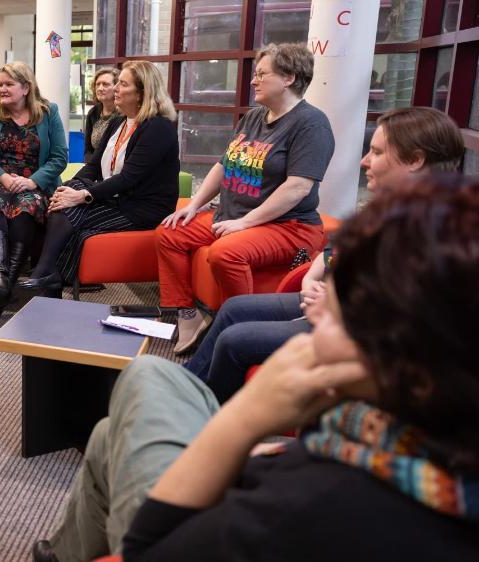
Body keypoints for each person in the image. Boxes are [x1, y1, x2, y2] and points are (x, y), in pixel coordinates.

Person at [34, 176, 479, 562]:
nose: (315, 323)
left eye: (335, 317)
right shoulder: (420, 449)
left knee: (150, 378)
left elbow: (146, 552)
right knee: (112, 433)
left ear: (403, 363)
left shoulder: (322, 506)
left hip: (170, 535)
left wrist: (247, 419)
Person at [187, 107, 465, 403]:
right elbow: (336, 252)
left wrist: (339, 307)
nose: (364, 161)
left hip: (362, 332)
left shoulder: (439, 227)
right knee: (235, 309)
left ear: (415, 160)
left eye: (377, 152)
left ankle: (204, 419)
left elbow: (417, 318)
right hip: (337, 306)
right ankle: (183, 389)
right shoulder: (390, 208)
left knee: (235, 341)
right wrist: (311, 280)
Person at [156, 43, 335, 354]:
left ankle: (236, 326)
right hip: (232, 215)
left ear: (289, 77)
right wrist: (194, 206)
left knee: (226, 253)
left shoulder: (311, 123)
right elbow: (223, 165)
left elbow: (298, 187)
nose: (254, 81)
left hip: (288, 227)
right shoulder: (253, 117)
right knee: (169, 232)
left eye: (261, 74)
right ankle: (187, 314)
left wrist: (245, 223)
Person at [17, 61, 179, 294]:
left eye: (122, 84)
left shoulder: (158, 128)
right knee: (59, 202)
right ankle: (48, 276)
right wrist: (68, 189)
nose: (115, 90)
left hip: (141, 208)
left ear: (142, 92)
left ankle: (46, 274)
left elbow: (128, 178)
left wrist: (82, 195)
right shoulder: (117, 122)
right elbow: (92, 167)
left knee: (68, 213)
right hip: (114, 198)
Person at [0, 61, 68, 316]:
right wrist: (1, 176)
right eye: (0, 84)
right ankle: (0, 280)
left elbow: (59, 157)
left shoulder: (48, 112)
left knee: (26, 206)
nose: (1, 89)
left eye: (8, 84)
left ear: (26, 88)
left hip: (35, 183)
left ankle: (4, 287)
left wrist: (33, 180)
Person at [83, 67, 121, 162]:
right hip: (94, 168)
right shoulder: (93, 112)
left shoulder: (123, 114)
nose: (100, 88)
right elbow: (88, 150)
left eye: (105, 84)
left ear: (117, 87)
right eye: (97, 84)